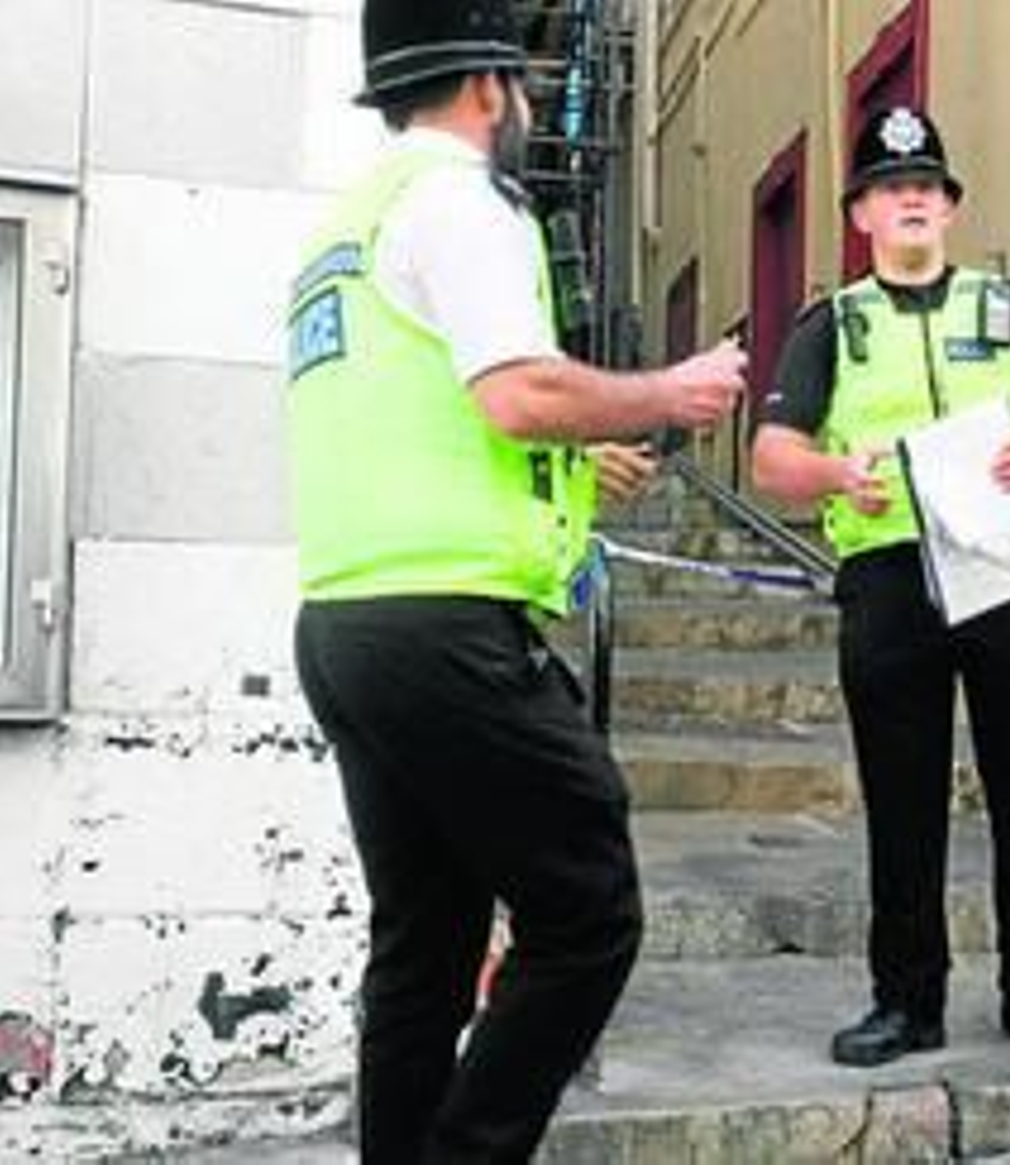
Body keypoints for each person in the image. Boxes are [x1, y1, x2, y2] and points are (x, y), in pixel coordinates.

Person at [286, 1, 745, 1158]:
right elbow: (516, 389)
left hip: (350, 623)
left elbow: (431, 413)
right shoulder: (462, 200)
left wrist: (577, 461)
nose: (531, 109)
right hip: (445, 632)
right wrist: (665, 389)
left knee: (425, 946)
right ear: (491, 86)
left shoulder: (348, 225)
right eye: (525, 88)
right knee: (587, 910)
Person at [751, 106, 1010, 1068]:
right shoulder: (831, 324)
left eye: (927, 186)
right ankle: (906, 1001)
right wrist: (838, 476)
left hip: (1003, 567)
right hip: (889, 578)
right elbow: (772, 457)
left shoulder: (1008, 308)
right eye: (888, 186)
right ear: (862, 214)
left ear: (949, 207)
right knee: (903, 798)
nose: (910, 197)